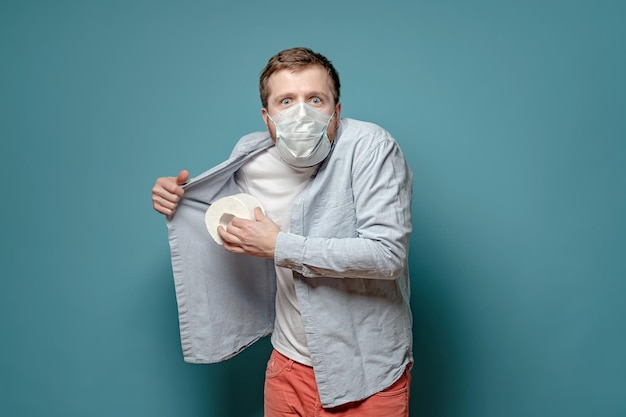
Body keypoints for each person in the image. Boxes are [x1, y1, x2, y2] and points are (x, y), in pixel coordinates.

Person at [151, 47, 413, 417]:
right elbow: (219, 216)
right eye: (286, 101)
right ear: (267, 116)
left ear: (336, 111)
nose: (301, 113)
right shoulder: (250, 160)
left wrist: (280, 246)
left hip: (368, 372)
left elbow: (387, 256)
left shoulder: (372, 148)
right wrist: (177, 197)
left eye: (315, 99)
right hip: (288, 367)